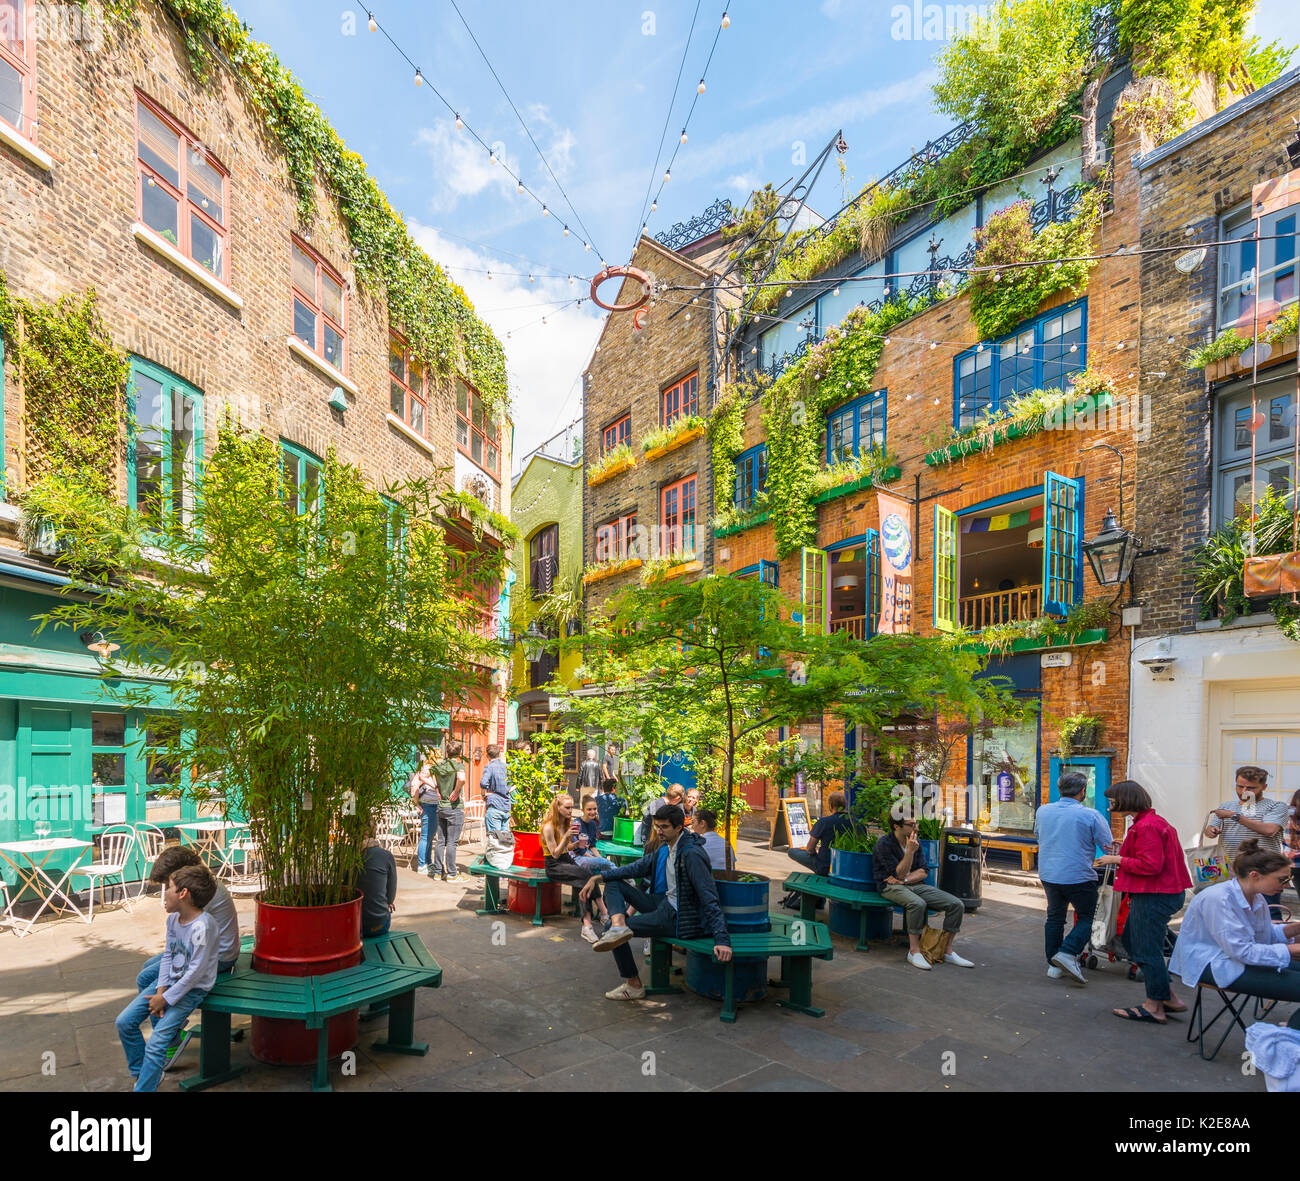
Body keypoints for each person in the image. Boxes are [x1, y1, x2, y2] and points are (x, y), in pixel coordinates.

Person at [581, 804, 731, 999]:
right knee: (613, 882)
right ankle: (619, 926)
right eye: (657, 826)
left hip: (679, 916)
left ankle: (633, 984)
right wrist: (598, 877)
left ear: (679, 828)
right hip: (664, 903)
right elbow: (635, 868)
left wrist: (722, 939)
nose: (659, 831)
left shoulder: (691, 854)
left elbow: (709, 895)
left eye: (664, 827)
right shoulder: (666, 847)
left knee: (608, 928)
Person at [1096, 779, 1193, 1023]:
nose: (1110, 805)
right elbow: (1149, 855)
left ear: (1125, 800)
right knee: (1131, 939)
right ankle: (1168, 996)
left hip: (1155, 894)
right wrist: (1124, 849)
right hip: (1161, 892)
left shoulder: (1147, 826)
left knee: (1145, 947)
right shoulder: (1151, 823)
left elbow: (1150, 865)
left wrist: (1116, 860)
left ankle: (1154, 1007)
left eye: (1112, 800)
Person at [134, 845, 240, 1069]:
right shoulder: (205, 886)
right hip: (202, 949)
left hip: (218, 956)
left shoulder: (203, 896)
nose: (166, 891)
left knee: (147, 980)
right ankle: (172, 1025)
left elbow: (192, 955)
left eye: (168, 885)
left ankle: (170, 1039)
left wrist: (165, 990)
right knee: (147, 971)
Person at [115, 863, 219, 1091]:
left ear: (183, 894)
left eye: (168, 888)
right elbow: (168, 957)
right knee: (124, 1022)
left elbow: (195, 973)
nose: (164, 895)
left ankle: (144, 1087)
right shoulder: (173, 919)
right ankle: (143, 1073)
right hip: (170, 984)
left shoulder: (203, 926)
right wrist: (160, 990)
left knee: (156, 1044)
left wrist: (167, 998)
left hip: (192, 990)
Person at [1168, 839, 1300, 1014]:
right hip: (1212, 964)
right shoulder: (1219, 899)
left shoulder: (1256, 897)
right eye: (1282, 879)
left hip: (1234, 958)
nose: (1286, 885)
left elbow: (1261, 936)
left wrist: (1294, 929)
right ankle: (1286, 1038)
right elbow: (1243, 951)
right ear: (1255, 875)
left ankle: (1289, 1035)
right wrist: (1292, 949)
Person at [1034, 772, 1117, 984]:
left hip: (1049, 873)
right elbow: (1107, 845)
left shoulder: (1043, 811)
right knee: (1088, 917)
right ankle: (1067, 952)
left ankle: (1054, 964)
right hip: (1078, 874)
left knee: (1054, 917)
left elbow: (1038, 834)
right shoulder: (1091, 815)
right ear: (1083, 791)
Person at [874, 815, 973, 970]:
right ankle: (914, 951)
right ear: (896, 826)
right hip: (889, 887)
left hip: (912, 884)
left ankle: (946, 950)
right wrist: (909, 853)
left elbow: (923, 871)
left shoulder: (915, 842)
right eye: (911, 824)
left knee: (956, 904)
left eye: (916, 823)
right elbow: (897, 873)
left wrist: (905, 880)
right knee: (917, 904)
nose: (916, 828)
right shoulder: (884, 844)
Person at [1206, 765, 1288, 917]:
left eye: (1251, 788)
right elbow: (1210, 830)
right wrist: (1211, 830)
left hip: (1265, 870)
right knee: (1231, 914)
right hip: (1231, 871)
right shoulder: (1226, 806)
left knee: (1268, 914)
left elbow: (1269, 830)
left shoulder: (1276, 806)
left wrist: (1234, 816)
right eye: (1240, 786)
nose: (1244, 792)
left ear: (1264, 787)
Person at [540, 791, 609, 944]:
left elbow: (567, 848)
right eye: (567, 808)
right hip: (554, 865)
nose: (570, 811)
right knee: (585, 878)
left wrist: (576, 844)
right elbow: (555, 854)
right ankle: (593, 921)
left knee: (587, 875)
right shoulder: (548, 827)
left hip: (566, 859)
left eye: (572, 808)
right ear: (558, 808)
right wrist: (566, 836)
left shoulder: (566, 823)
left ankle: (597, 917)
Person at [787, 790, 852, 876]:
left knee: (792, 851)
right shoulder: (856, 823)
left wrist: (815, 855)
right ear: (845, 805)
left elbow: (810, 848)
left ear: (831, 806)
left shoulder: (824, 822)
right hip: (848, 867)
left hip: (824, 867)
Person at [430, 739, 467, 882]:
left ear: (447, 752)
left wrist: (437, 789)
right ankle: (452, 873)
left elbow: (429, 774)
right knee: (452, 842)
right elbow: (462, 778)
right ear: (460, 753)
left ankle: (438, 872)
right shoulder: (458, 765)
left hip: (441, 806)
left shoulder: (439, 765)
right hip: (454, 807)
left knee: (441, 841)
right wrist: (457, 791)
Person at [360, 820, 397, 938]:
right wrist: (388, 902)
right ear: (375, 831)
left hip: (352, 924)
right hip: (378, 925)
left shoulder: (347, 856)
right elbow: (391, 895)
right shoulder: (385, 855)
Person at [410, 750, 440, 874]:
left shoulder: (431, 770)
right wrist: (416, 804)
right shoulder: (426, 770)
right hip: (428, 807)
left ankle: (428, 862)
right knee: (425, 836)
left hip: (432, 806)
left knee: (430, 836)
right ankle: (422, 864)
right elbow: (414, 785)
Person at [573, 796, 617, 874]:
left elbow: (592, 846)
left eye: (595, 809)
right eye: (589, 809)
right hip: (577, 858)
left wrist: (599, 858)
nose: (593, 812)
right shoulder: (576, 824)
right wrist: (597, 859)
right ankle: (623, 875)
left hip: (588, 855)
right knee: (604, 864)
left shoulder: (593, 824)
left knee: (604, 866)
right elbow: (579, 850)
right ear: (582, 810)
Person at [480, 743, 512, 835]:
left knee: (494, 840)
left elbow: (483, 783)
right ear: (500, 754)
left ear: (487, 756)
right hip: (506, 806)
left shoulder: (490, 767)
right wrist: (507, 791)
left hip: (494, 806)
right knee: (504, 840)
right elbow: (516, 783)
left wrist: (483, 794)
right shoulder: (508, 767)